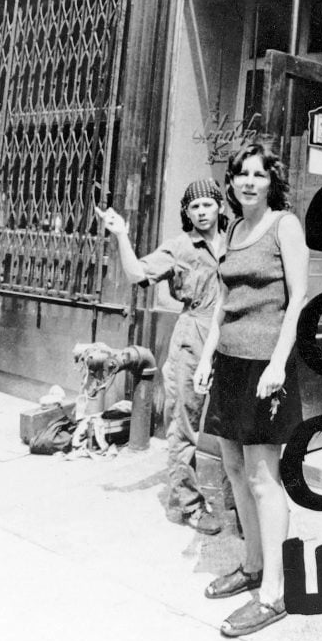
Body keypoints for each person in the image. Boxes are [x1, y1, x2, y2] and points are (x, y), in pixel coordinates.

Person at [193, 142, 309, 639]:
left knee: (265, 478)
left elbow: (298, 296)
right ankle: (253, 564)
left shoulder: (285, 225)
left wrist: (279, 363)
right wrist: (206, 356)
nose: (248, 182)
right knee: (235, 468)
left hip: (266, 368)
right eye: (241, 174)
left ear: (270, 181)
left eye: (258, 175)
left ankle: (273, 595)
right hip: (230, 363)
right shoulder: (235, 229)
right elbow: (225, 300)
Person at [95, 178, 231, 535]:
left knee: (237, 421)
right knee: (184, 424)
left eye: (208, 204)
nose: (202, 212)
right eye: (194, 206)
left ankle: (238, 501)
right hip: (193, 337)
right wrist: (121, 234)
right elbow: (137, 274)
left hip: (232, 337)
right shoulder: (180, 247)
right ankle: (188, 504)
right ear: (186, 212)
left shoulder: (237, 241)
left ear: (220, 206)